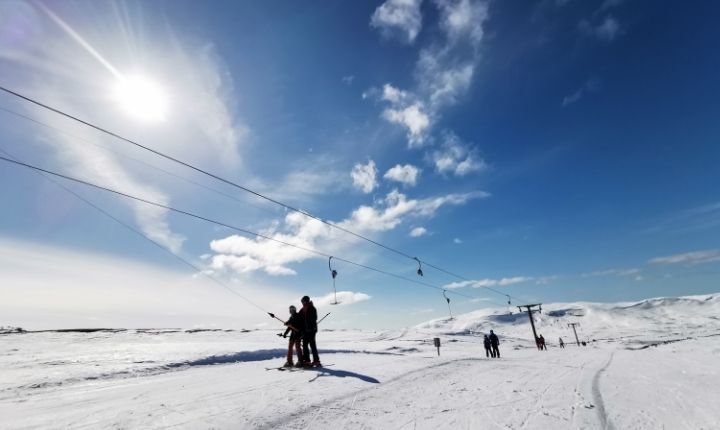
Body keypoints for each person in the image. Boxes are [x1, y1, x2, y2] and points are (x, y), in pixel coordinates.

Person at [299, 295, 321, 367]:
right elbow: (298, 317)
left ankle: (315, 361)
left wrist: (310, 326)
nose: (302, 302)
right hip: (305, 331)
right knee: (305, 345)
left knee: (312, 345)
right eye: (302, 301)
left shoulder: (312, 308)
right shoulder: (302, 309)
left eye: (303, 301)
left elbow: (314, 318)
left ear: (307, 301)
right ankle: (308, 360)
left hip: (311, 330)